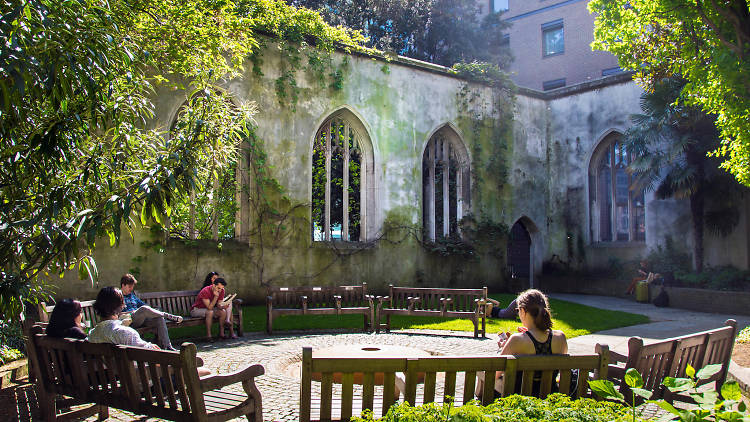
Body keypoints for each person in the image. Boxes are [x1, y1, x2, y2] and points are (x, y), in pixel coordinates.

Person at [87, 287, 210, 376]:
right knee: (203, 370)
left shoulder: (92, 334)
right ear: (120, 306)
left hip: (120, 382)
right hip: (145, 384)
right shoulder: (124, 333)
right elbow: (154, 358)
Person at [477, 289, 568, 398]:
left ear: (523, 311)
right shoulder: (560, 337)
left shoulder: (517, 340)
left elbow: (495, 375)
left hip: (518, 399)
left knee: (483, 377)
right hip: (549, 397)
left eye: (517, 310)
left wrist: (502, 348)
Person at [120, 274, 182, 351]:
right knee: (143, 309)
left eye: (132, 286)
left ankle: (167, 346)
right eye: (129, 287)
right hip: (130, 320)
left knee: (159, 318)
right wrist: (133, 311)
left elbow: (145, 306)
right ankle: (168, 316)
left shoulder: (132, 296)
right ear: (123, 285)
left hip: (141, 318)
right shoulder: (118, 296)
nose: (131, 288)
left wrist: (152, 311)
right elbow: (117, 314)